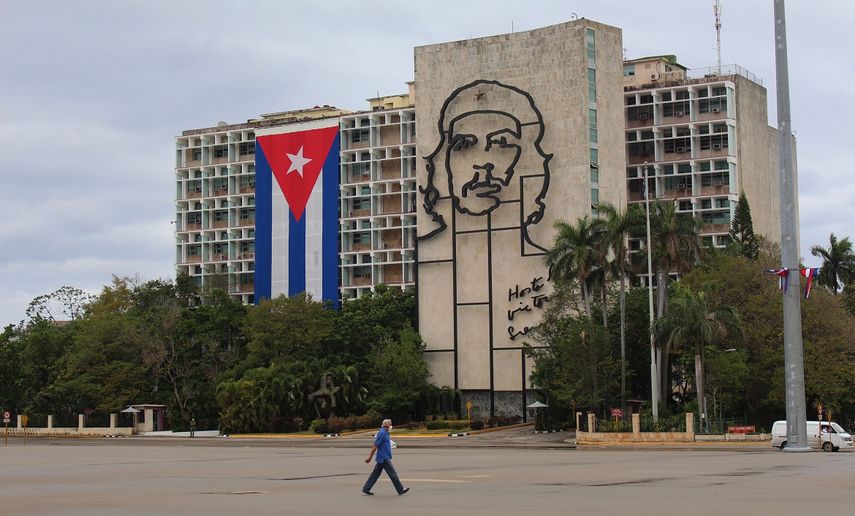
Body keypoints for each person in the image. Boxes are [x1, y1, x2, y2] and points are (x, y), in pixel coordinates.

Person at [362, 419, 409, 496]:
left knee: (375, 474)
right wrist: (370, 457)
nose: (391, 425)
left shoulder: (386, 433)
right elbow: (375, 445)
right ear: (385, 425)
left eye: (391, 424)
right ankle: (400, 489)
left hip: (383, 457)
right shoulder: (382, 433)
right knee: (392, 473)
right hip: (383, 457)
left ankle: (366, 488)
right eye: (389, 424)